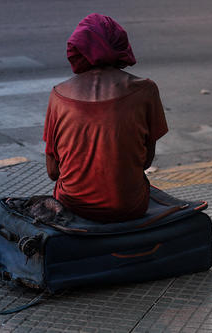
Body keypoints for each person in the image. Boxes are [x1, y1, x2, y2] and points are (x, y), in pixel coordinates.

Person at [43, 13, 168, 222]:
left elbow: (53, 171)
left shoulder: (59, 95)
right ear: (121, 45)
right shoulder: (146, 90)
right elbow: (145, 162)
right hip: (129, 206)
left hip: (72, 208)